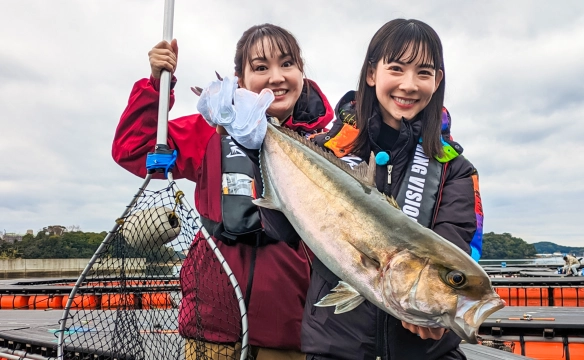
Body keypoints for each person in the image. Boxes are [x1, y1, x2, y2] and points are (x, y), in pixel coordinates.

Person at [112, 24, 334, 360]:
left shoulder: (326, 144)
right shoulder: (211, 130)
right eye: (261, 67)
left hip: (290, 333)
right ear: (240, 79)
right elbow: (133, 149)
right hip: (211, 328)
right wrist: (157, 85)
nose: (276, 77)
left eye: (287, 64)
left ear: (301, 73)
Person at [301, 19, 484, 360]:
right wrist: (250, 142)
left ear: (437, 81)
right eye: (396, 68)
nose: (409, 85)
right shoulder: (325, 152)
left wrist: (443, 313)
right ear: (372, 73)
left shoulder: (455, 170)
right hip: (335, 350)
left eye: (424, 73)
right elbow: (278, 227)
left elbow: (457, 251)